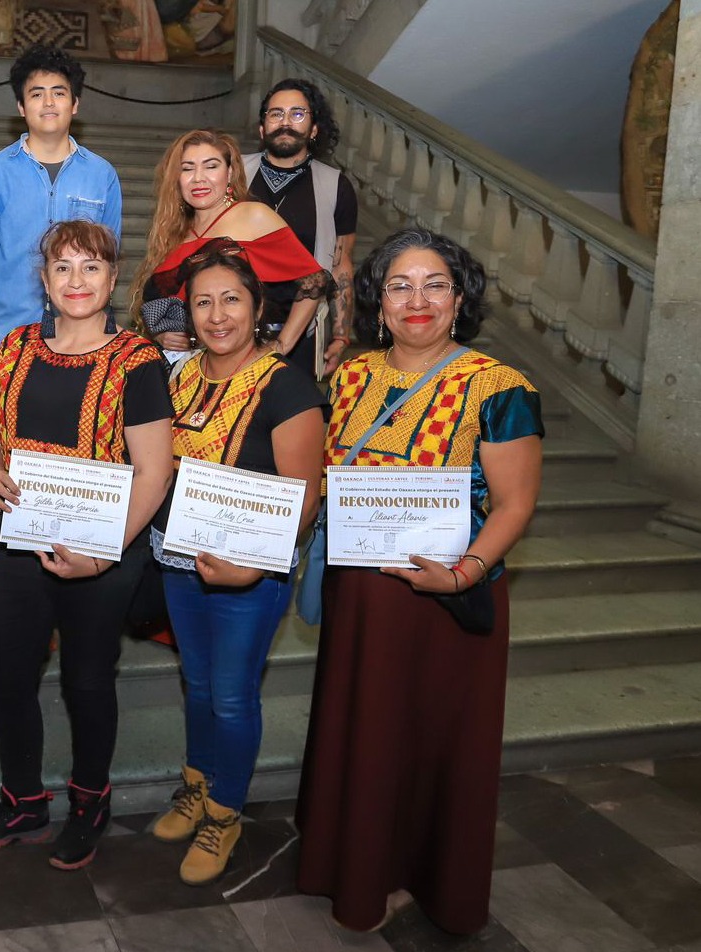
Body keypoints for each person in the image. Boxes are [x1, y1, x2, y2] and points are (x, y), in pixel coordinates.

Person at [294, 229, 544, 934]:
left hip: (444, 598)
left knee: (435, 740)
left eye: (435, 285)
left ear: (459, 299)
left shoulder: (499, 386)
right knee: (362, 732)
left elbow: (515, 503)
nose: (417, 300)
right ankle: (350, 870)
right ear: (378, 302)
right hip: (360, 597)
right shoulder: (350, 376)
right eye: (400, 286)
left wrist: (464, 573)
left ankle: (430, 880)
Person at [0, 220, 174, 870]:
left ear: (112, 278)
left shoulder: (137, 361)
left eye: (91, 267)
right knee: (2, 676)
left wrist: (105, 553)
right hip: (21, 541)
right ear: (45, 281)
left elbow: (154, 472)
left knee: (87, 681)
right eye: (63, 268)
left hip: (104, 553)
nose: (76, 280)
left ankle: (89, 802)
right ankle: (22, 800)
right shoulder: (16, 348)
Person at [145, 240, 325, 885]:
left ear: (257, 307)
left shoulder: (287, 385)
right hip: (180, 558)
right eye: (203, 303)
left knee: (230, 693)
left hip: (252, 572)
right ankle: (196, 784)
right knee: (196, 682)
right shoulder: (180, 376)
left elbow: (305, 493)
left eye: (231, 300)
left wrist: (254, 564)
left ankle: (225, 813)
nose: (217, 316)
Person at [0, 45, 123, 352]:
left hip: (82, 337)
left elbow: (108, 252)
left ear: (75, 103)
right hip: (8, 335)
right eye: (36, 94)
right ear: (21, 107)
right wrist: (8, 289)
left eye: (59, 93)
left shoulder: (102, 175)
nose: (48, 102)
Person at [129, 129, 329, 375]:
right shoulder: (173, 233)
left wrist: (280, 346)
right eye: (187, 168)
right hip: (185, 369)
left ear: (230, 172)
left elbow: (313, 282)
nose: (198, 178)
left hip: (242, 365)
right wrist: (162, 334)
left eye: (211, 166)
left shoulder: (253, 216)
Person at [243, 78, 358, 376]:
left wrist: (341, 335)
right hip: (231, 327)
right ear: (262, 127)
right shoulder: (234, 173)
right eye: (276, 113)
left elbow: (340, 265)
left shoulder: (335, 186)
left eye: (297, 113)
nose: (285, 122)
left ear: (314, 128)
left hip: (301, 333)